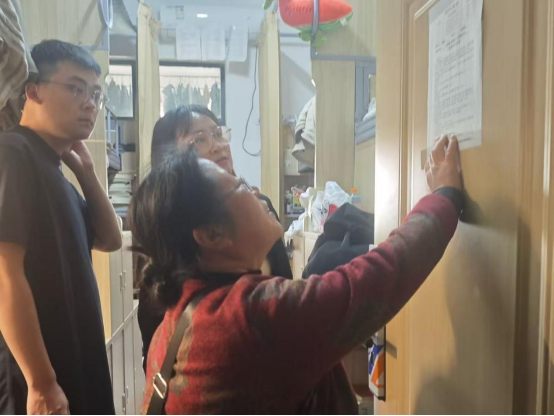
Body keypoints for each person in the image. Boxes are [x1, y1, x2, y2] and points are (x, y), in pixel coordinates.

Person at [130, 134, 464, 414]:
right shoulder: (247, 320)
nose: (256, 191)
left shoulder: (171, 327)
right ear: (212, 235)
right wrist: (445, 196)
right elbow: (376, 278)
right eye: (240, 185)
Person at [0, 40, 121, 415]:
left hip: (74, 364)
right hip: (36, 380)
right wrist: (41, 382)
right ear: (33, 91)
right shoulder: (12, 153)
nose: (90, 104)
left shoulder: (56, 173)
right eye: (75, 89)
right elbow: (4, 272)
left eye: (95, 94)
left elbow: (110, 238)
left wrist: (87, 173)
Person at [138, 105, 293, 367]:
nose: (219, 146)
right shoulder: (167, 234)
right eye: (199, 140)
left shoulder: (261, 209)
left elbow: (285, 288)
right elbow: (157, 347)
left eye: (218, 134)